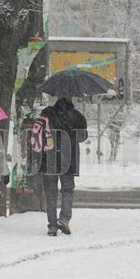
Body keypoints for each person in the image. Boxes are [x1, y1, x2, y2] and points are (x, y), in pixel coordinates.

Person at [32, 97, 88, 236]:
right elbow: (82, 137)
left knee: (51, 193)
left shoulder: (47, 113)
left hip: (49, 159)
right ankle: (64, 219)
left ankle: (52, 225)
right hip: (69, 160)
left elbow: (38, 132)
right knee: (67, 190)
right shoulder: (77, 116)